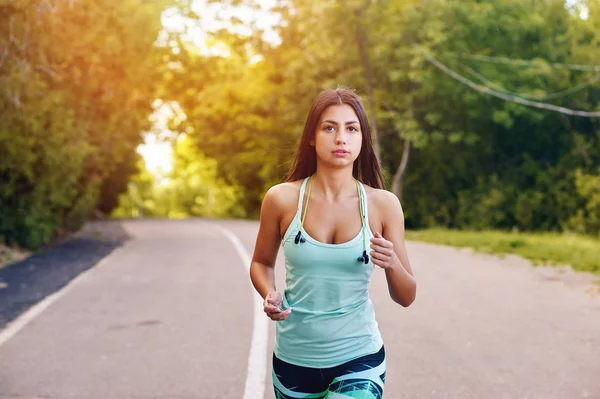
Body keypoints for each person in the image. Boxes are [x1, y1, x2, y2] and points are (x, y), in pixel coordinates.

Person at [249, 87, 417, 398]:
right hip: (294, 360)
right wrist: (269, 293)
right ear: (312, 136)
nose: (341, 138)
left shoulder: (383, 205)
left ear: (361, 139)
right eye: (329, 127)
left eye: (351, 128)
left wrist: (392, 262)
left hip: (359, 355)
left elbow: (407, 296)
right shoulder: (282, 199)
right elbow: (261, 262)